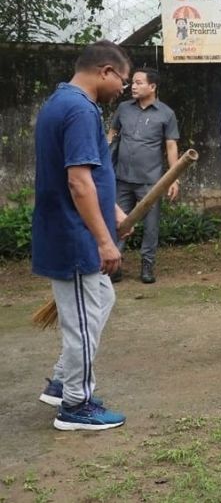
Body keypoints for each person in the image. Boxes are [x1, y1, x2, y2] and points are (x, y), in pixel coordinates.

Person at [32, 40, 133, 430]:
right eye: (121, 81)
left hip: (74, 231)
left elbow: (92, 176)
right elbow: (78, 183)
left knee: (100, 300)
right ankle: (76, 404)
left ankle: (62, 381)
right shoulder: (77, 109)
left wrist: (116, 211)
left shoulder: (66, 102)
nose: (121, 89)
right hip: (74, 237)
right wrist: (104, 240)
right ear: (105, 71)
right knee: (83, 319)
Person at [107, 67, 180, 284]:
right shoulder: (123, 108)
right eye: (133, 82)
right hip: (122, 178)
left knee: (150, 226)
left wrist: (173, 177)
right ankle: (115, 265)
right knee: (118, 224)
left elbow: (171, 146)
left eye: (139, 82)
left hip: (151, 181)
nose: (134, 86)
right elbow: (112, 134)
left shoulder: (166, 114)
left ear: (153, 86)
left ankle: (147, 266)